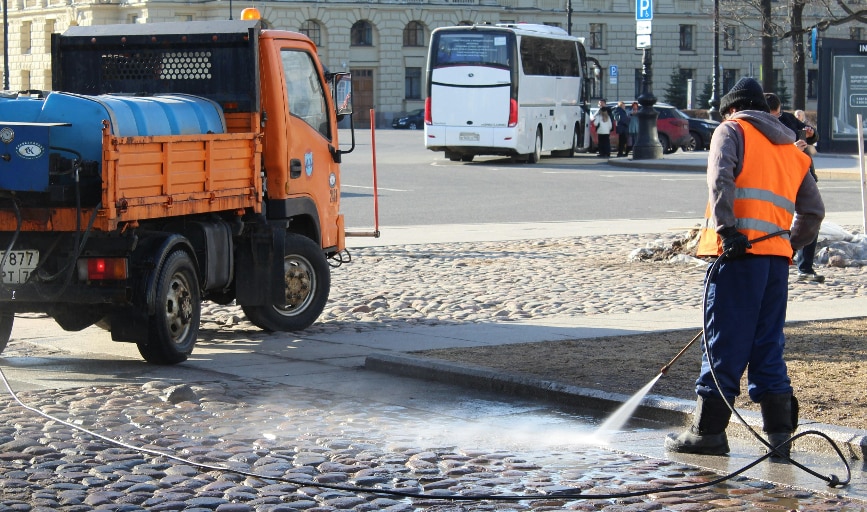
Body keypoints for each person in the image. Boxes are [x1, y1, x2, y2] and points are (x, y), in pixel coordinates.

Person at [664, 77, 825, 461]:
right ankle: (780, 439)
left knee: (723, 342)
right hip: (775, 264)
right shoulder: (792, 149)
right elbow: (814, 212)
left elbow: (720, 180)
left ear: (732, 109)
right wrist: (787, 243)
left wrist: (728, 231)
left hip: (737, 257)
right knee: (768, 346)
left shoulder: (731, 130)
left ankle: (708, 432)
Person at [764, 93, 824, 283]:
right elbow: (769, 156)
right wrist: (792, 150)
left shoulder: (787, 118)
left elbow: (810, 136)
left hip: (803, 174)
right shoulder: (759, 126)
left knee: (812, 214)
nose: (778, 117)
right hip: (779, 179)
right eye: (774, 115)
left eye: (779, 113)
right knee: (776, 221)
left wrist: (810, 133)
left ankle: (804, 266)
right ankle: (775, 260)